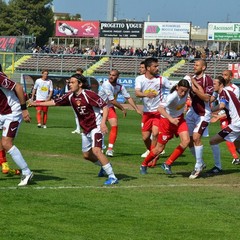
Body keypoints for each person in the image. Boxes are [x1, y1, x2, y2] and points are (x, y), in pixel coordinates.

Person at [30, 74, 118, 185]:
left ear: (80, 84)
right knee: (86, 155)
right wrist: (36, 103)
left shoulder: (89, 94)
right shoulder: (70, 96)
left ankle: (112, 177)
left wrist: (103, 123)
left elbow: (104, 106)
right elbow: (54, 102)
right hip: (85, 129)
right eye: (69, 82)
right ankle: (105, 166)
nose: (69, 84)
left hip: (96, 126)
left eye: (72, 82)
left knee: (96, 151)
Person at [139, 79, 191, 174]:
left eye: (185, 91)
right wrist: (171, 119)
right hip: (166, 122)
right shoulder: (172, 97)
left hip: (179, 120)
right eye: (181, 90)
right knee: (159, 149)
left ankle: (167, 163)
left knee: (186, 141)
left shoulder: (187, 92)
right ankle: (144, 164)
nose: (183, 93)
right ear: (177, 87)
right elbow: (160, 109)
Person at [135, 57, 171, 167]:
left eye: (157, 66)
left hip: (158, 112)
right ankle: (153, 152)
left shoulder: (161, 79)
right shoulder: (140, 79)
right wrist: (147, 94)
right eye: (155, 66)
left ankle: (153, 157)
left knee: (155, 134)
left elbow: (172, 89)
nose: (157, 68)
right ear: (148, 68)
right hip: (147, 112)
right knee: (145, 137)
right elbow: (137, 93)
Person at [98, 69, 142, 157]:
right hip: (99, 107)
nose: (111, 76)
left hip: (109, 107)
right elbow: (112, 100)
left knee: (114, 125)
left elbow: (128, 97)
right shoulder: (106, 84)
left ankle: (110, 149)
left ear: (117, 77)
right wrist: (122, 109)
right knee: (100, 129)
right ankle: (99, 147)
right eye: (110, 74)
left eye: (113, 75)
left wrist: (136, 109)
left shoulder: (120, 86)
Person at [0, 71, 33, 186]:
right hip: (2, 112)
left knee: (6, 143)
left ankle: (26, 172)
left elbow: (18, 87)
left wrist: (24, 109)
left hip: (12, 112)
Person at [185, 59, 214, 179]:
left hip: (203, 113)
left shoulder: (207, 79)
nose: (194, 67)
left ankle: (197, 166)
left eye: (197, 65)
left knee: (196, 137)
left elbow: (206, 98)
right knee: (188, 140)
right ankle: (201, 162)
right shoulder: (190, 78)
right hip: (192, 112)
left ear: (203, 68)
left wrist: (195, 88)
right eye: (194, 65)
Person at [208, 76, 240, 174]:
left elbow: (221, 106)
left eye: (214, 84)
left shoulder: (223, 92)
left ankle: (218, 167)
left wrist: (210, 110)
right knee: (237, 144)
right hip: (237, 122)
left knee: (213, 141)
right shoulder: (229, 92)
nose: (213, 86)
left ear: (221, 84)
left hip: (236, 124)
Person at [71, 68, 84, 134]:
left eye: (78, 73)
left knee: (83, 114)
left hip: (82, 100)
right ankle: (78, 129)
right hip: (75, 99)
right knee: (76, 115)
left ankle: (84, 129)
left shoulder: (83, 81)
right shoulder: (74, 80)